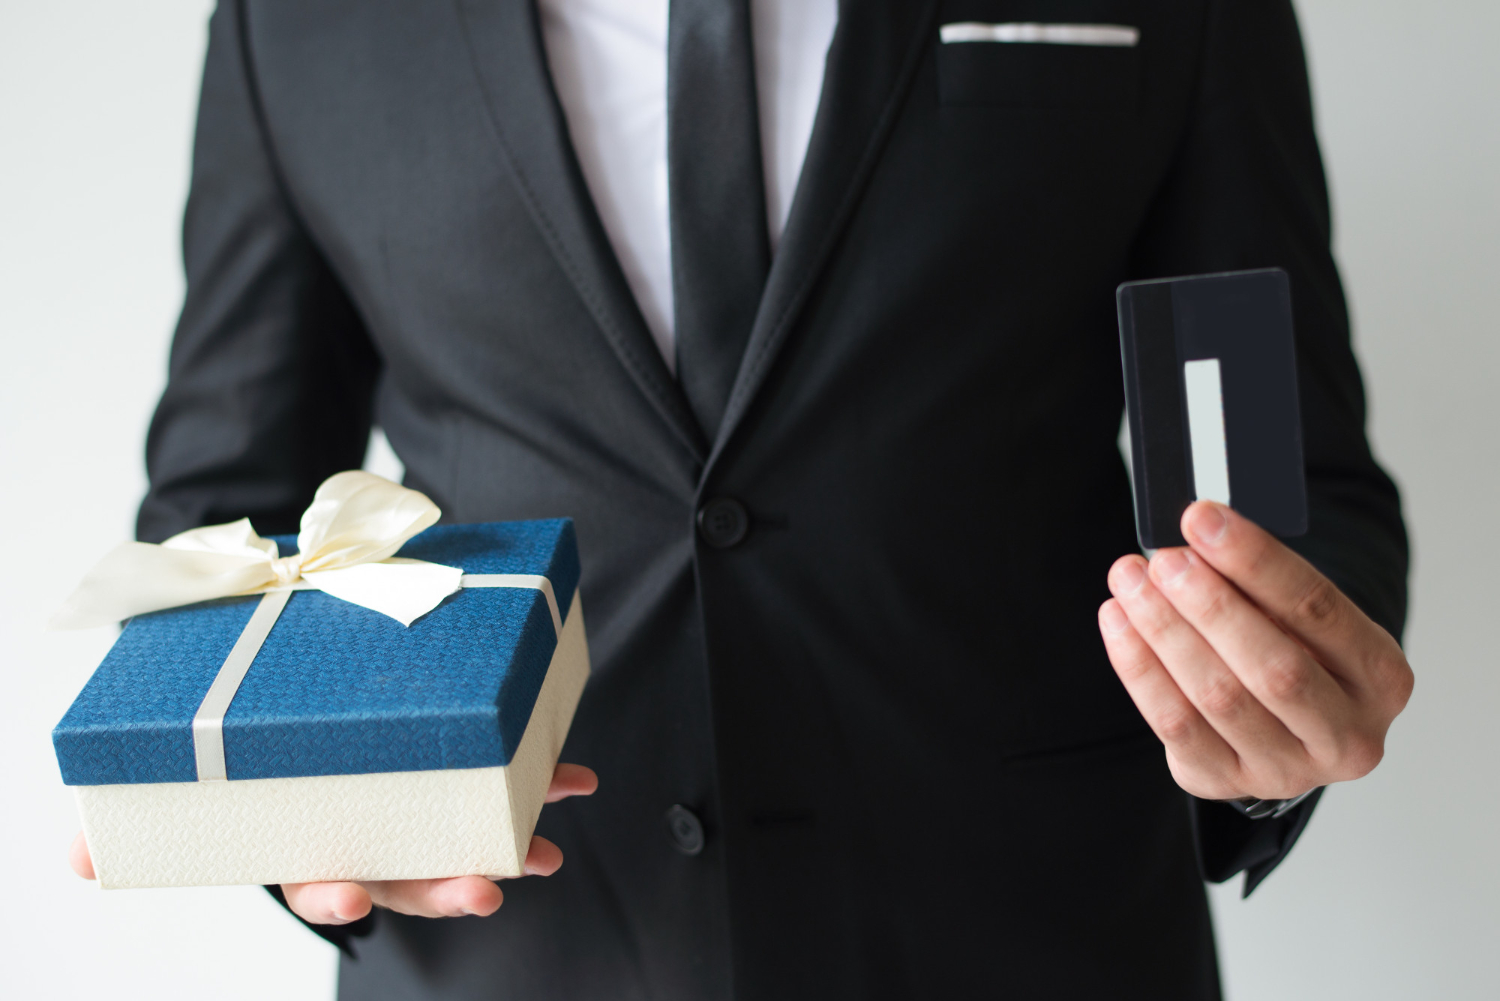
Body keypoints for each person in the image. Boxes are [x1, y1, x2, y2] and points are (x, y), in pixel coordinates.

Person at [69, 0, 1413, 997]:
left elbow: (1293, 481)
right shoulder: (289, 23)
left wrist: (1275, 711)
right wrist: (301, 823)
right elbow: (225, 509)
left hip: (1037, 936)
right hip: (513, 951)